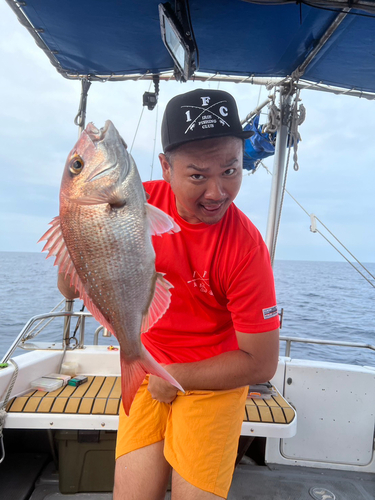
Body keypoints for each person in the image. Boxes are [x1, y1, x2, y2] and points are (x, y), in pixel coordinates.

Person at [58, 89, 280, 500]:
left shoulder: (245, 248)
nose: (217, 192)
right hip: (145, 365)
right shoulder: (137, 199)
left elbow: (262, 363)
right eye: (197, 175)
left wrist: (175, 378)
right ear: (165, 166)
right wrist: (81, 242)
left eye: (230, 170)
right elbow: (69, 287)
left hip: (213, 379)